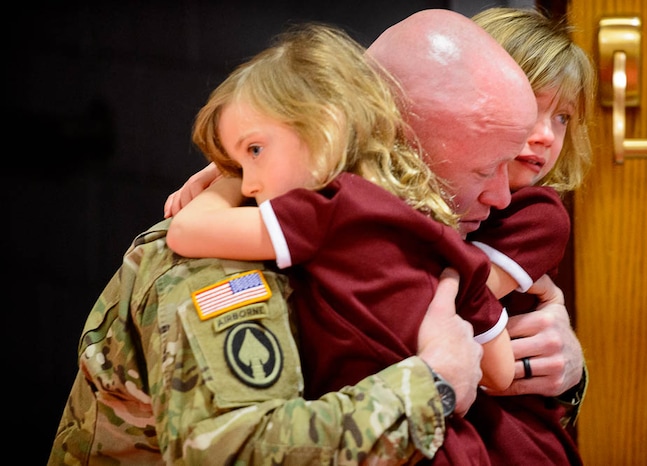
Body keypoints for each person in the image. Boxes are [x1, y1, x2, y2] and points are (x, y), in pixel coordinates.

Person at [51, 8, 583, 465]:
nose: (502, 196)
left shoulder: (401, 238)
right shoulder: (225, 260)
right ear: (395, 145)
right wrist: (433, 385)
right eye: (481, 171)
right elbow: (235, 452)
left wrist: (559, 371)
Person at [165, 22, 515, 400]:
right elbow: (501, 372)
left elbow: (185, 231)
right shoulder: (430, 227)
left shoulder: (327, 210)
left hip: (388, 444)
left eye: (254, 152)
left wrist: (225, 182)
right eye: (239, 165)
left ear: (327, 128)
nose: (250, 183)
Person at [460, 7, 594, 466]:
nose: (546, 136)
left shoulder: (540, 212)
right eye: (531, 106)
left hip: (507, 429)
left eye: (562, 118)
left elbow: (457, 299)